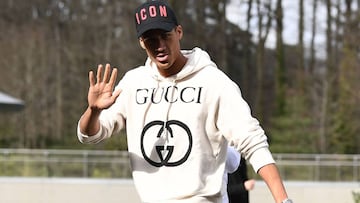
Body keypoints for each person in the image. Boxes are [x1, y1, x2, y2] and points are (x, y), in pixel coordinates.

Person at [77, 1, 293, 202]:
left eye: (165, 35)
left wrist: (283, 199)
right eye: (151, 39)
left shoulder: (213, 82)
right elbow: (90, 135)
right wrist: (93, 111)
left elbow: (253, 142)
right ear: (142, 43)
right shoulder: (134, 83)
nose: (159, 45)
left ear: (179, 32)